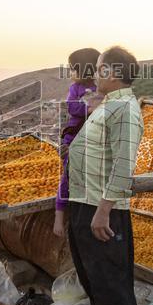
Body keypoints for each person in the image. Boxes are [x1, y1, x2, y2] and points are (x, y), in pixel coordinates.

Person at [66, 45, 144, 305]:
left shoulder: (125, 108)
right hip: (85, 199)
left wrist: (103, 210)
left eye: (98, 69)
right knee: (91, 269)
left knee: (111, 273)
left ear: (112, 73)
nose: (94, 74)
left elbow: (123, 166)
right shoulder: (108, 104)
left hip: (103, 205)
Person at [53, 48, 101, 239]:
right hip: (73, 138)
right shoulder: (76, 89)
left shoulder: (100, 88)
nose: (71, 73)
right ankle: (59, 214)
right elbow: (72, 107)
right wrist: (89, 106)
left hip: (92, 140)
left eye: (73, 69)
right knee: (68, 177)